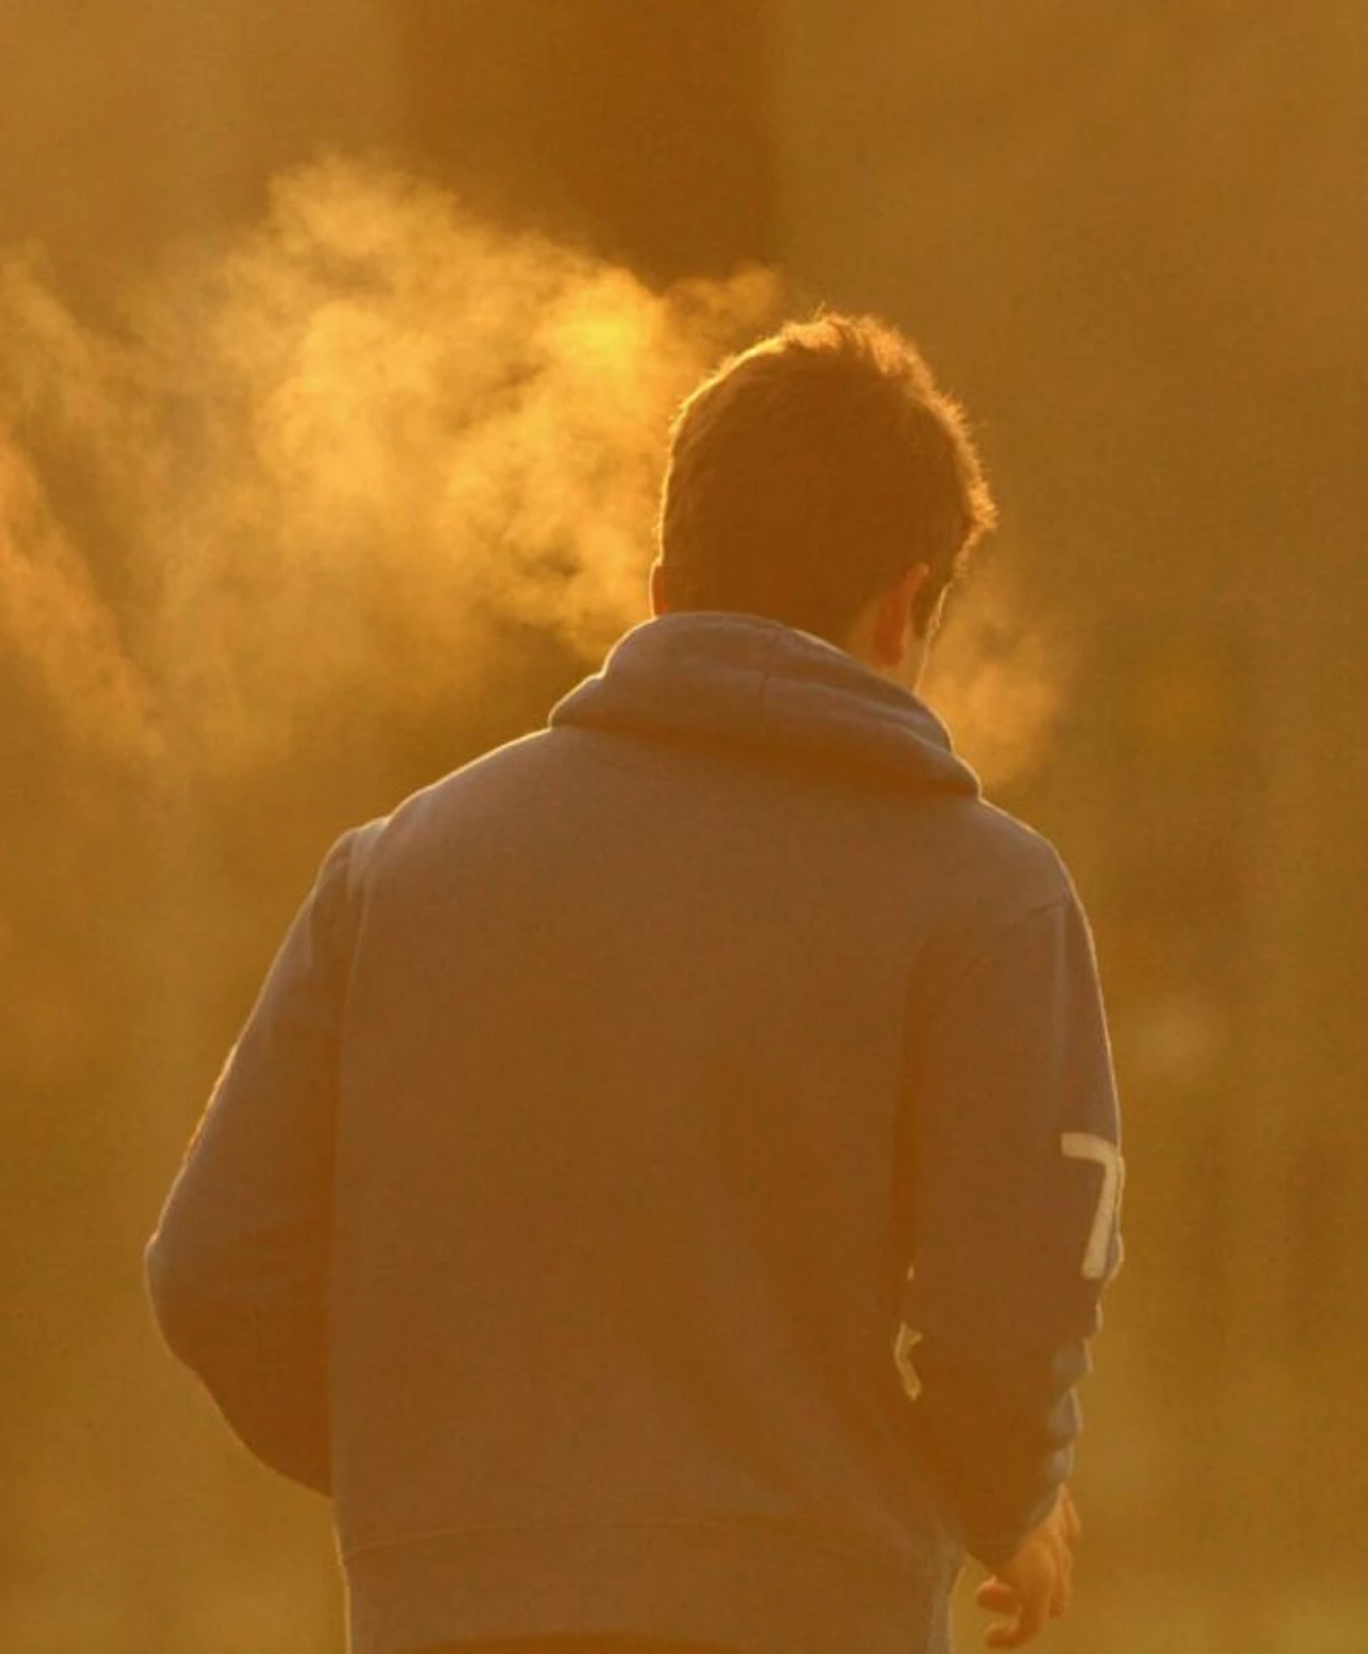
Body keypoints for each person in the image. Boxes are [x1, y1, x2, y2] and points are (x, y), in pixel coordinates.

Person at [146, 314, 1123, 1654]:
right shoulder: (989, 901)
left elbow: (212, 1272)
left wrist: (459, 1496)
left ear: (663, 592)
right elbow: (1006, 1324)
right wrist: (1003, 1494)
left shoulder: (394, 874)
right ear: (907, 604)